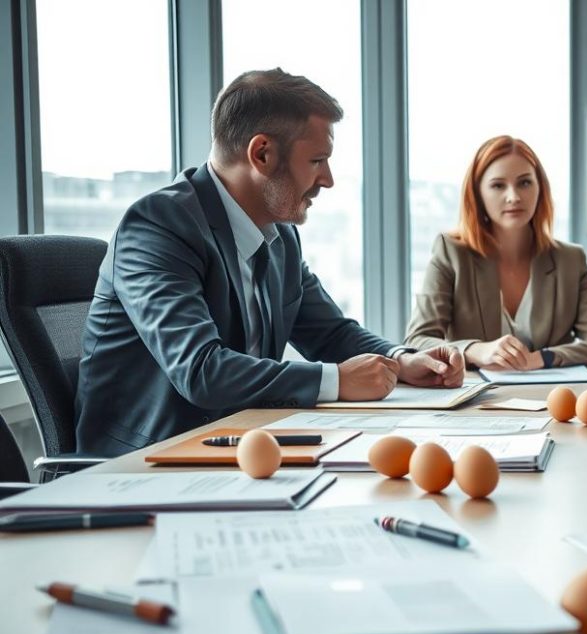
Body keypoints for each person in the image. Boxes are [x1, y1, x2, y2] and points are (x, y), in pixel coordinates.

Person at [75, 69, 464, 456]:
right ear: (262, 154)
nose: (327, 179)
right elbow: (201, 371)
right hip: (145, 466)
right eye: (317, 161)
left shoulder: (280, 236)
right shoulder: (160, 226)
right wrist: (337, 381)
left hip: (241, 451)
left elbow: (330, 334)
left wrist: (402, 360)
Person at [405, 136, 587, 369]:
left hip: (550, 399)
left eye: (525, 183)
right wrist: (475, 350)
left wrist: (542, 357)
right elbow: (416, 341)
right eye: (498, 185)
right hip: (479, 402)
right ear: (477, 194)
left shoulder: (570, 260)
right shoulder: (451, 253)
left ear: (540, 188)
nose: (514, 197)